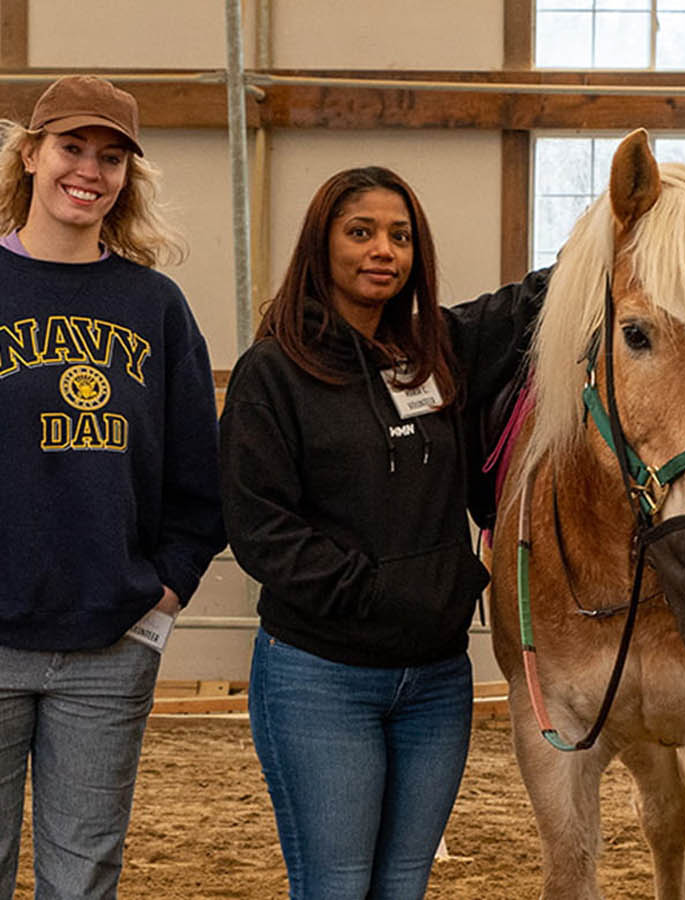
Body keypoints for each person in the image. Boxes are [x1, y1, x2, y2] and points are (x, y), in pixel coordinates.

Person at [219, 166, 543, 899]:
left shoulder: (436, 353)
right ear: (322, 244)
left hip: (434, 680)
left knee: (402, 884)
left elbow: (526, 304)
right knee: (335, 885)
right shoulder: (272, 373)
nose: (382, 251)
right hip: (320, 677)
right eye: (360, 232)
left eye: (399, 236)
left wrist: (622, 232)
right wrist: (374, 593)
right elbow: (260, 526)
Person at [0, 75, 226, 898]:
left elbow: (199, 481)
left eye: (111, 157)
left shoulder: (153, 305)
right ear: (30, 154)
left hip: (107, 645)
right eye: (71, 147)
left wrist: (160, 600)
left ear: (128, 176)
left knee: (84, 877)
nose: (88, 171)